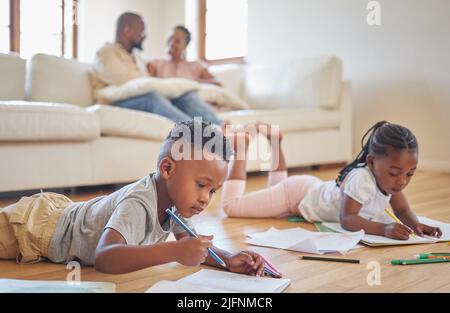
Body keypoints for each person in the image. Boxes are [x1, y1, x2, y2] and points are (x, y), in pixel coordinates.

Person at [0, 121, 265, 276]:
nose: (205, 198)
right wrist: (174, 252)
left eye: (212, 191)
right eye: (201, 185)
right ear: (167, 169)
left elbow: (191, 245)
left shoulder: (178, 204)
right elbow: (105, 257)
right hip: (36, 228)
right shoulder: (139, 203)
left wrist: (229, 259)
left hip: (67, 215)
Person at [220, 122, 442, 240]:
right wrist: (384, 229)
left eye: (410, 173)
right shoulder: (363, 180)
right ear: (372, 162)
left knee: (272, 192)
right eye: (395, 173)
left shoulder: (390, 182)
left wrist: (417, 224)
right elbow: (348, 220)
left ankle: (275, 142)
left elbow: (403, 210)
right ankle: (240, 147)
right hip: (296, 195)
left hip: (308, 189)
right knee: (231, 207)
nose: (402, 181)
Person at [92, 13, 223, 125]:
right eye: (141, 31)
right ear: (127, 31)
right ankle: (199, 136)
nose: (144, 36)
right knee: (152, 97)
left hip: (139, 97)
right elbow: (125, 81)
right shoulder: (106, 53)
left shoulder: (137, 57)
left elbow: (145, 82)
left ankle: (221, 129)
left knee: (183, 96)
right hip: (117, 102)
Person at [147, 25, 222, 86]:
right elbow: (147, 84)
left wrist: (194, 82)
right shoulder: (156, 64)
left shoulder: (196, 66)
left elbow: (218, 84)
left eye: (177, 41)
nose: (171, 44)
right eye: (170, 39)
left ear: (185, 46)